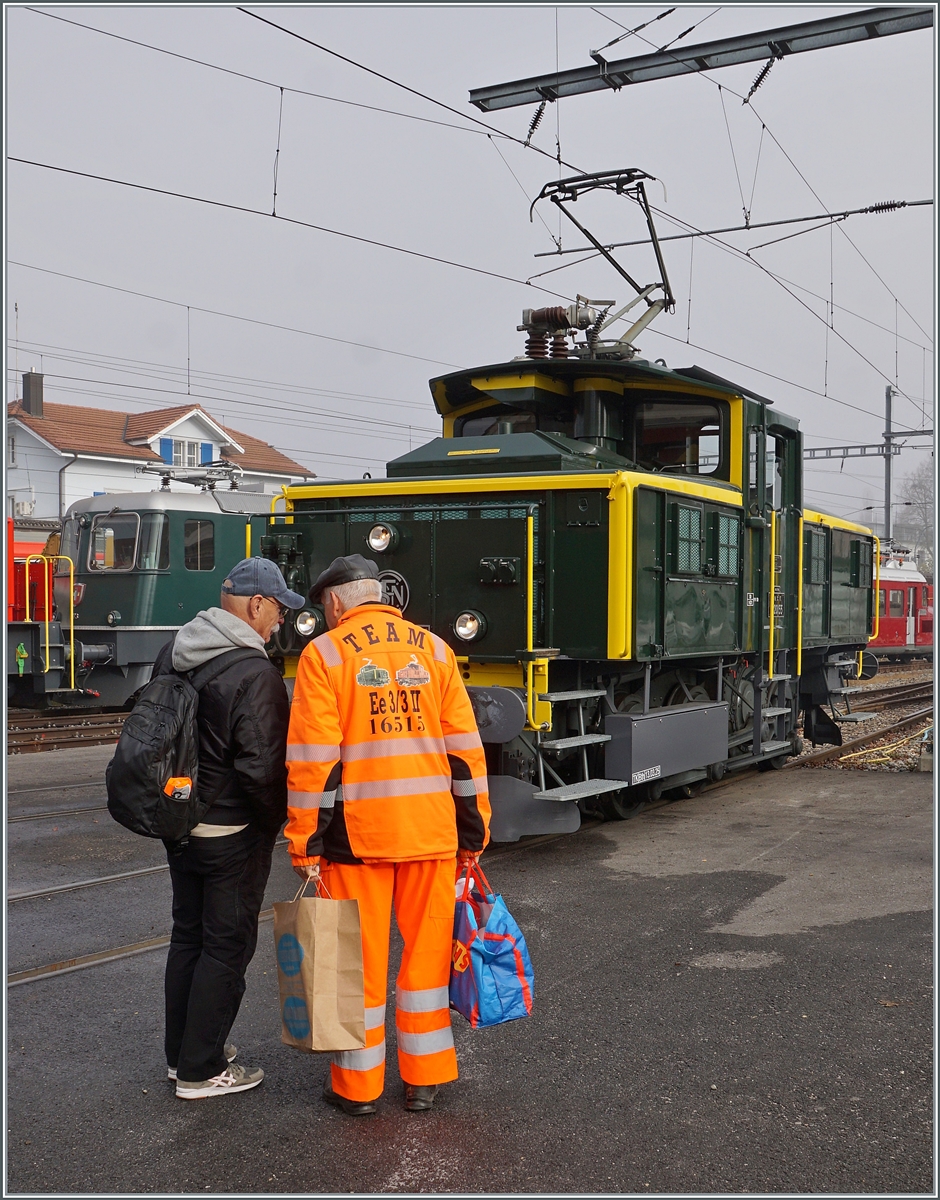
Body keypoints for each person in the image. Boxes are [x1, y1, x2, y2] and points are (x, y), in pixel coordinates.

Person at [286, 553, 490, 1116]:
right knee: (425, 962)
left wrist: (306, 840)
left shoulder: (324, 654)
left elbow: (313, 763)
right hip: (431, 833)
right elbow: (466, 755)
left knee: (357, 963)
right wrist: (473, 833)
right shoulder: (436, 650)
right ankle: (424, 1079)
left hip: (358, 839)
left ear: (334, 602)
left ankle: (358, 1089)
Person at [151, 557, 305, 1100]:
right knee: (227, 946)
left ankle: (182, 1055)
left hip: (179, 821)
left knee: (188, 937)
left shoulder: (175, 651)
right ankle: (202, 1069)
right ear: (255, 604)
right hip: (230, 831)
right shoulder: (255, 673)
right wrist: (274, 827)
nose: (280, 622)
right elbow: (262, 769)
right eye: (279, 610)